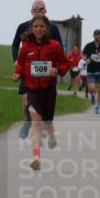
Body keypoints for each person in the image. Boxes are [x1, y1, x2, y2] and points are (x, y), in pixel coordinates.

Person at [12, 15, 70, 170]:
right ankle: (36, 156)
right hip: (32, 91)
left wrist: (57, 70)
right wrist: (18, 74)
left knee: (47, 122)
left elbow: (65, 63)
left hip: (49, 90)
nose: (38, 29)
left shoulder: (55, 46)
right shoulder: (26, 47)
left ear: (47, 29)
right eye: (35, 27)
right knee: (36, 123)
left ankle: (51, 135)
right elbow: (20, 63)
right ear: (31, 29)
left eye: (41, 27)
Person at [12, 0, 62, 138]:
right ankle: (28, 121)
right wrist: (16, 60)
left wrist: (57, 68)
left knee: (44, 100)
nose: (38, 11)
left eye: (41, 9)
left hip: (46, 70)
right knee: (25, 98)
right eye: (36, 9)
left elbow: (60, 49)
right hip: (28, 69)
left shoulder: (53, 28)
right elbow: (15, 45)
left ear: (45, 11)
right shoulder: (22, 27)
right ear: (31, 11)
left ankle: (41, 124)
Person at [82, 29, 100, 114]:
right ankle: (92, 95)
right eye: (97, 35)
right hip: (90, 71)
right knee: (91, 88)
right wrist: (86, 59)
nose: (99, 36)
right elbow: (83, 55)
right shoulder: (88, 45)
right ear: (94, 36)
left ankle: (97, 106)